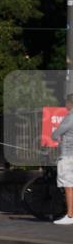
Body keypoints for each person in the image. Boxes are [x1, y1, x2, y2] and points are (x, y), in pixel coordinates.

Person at [51, 93, 73, 225]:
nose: (65, 105)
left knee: (69, 185)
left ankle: (70, 215)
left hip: (68, 156)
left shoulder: (70, 117)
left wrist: (57, 137)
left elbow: (55, 134)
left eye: (66, 103)